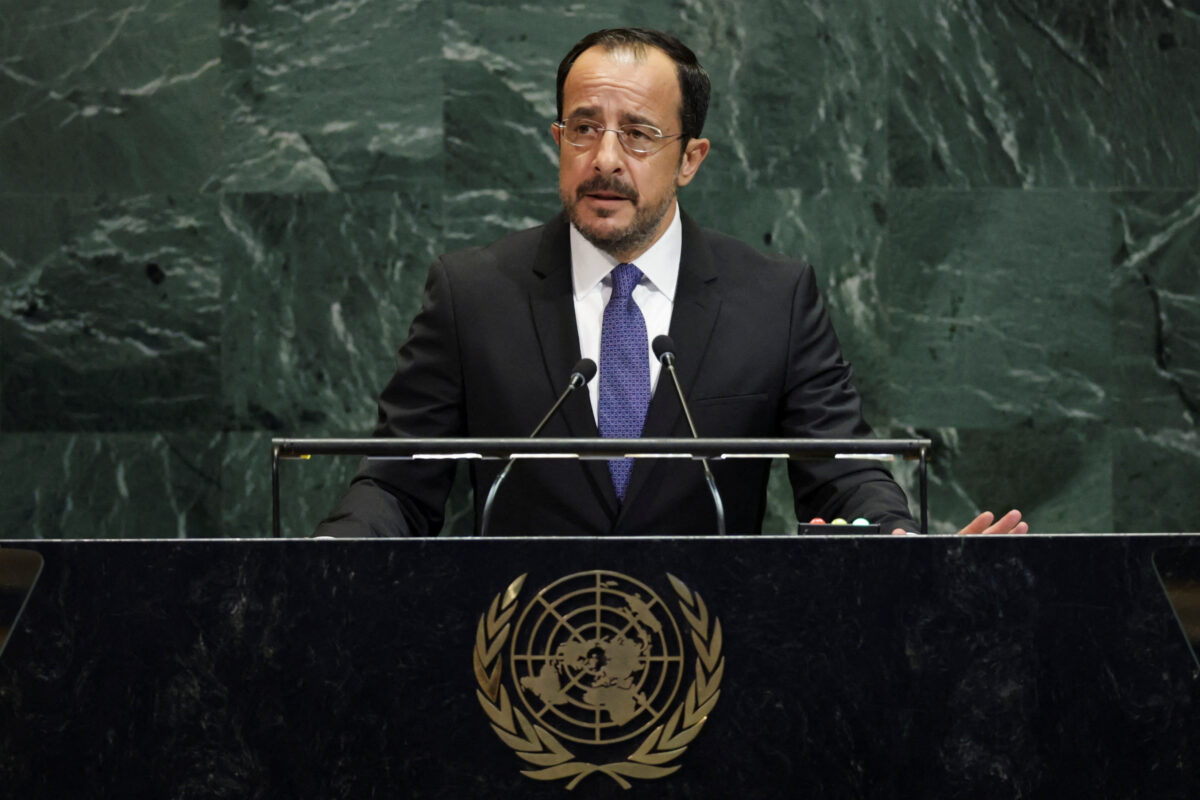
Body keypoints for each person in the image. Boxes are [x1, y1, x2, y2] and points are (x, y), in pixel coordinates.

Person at [317, 27, 1027, 538]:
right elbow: (396, 484)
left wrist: (898, 544)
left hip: (713, 665)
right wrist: (329, 556)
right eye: (583, 129)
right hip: (520, 661)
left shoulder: (774, 299)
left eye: (638, 134)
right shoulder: (472, 294)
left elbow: (842, 472)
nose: (605, 158)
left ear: (691, 158)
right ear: (557, 141)